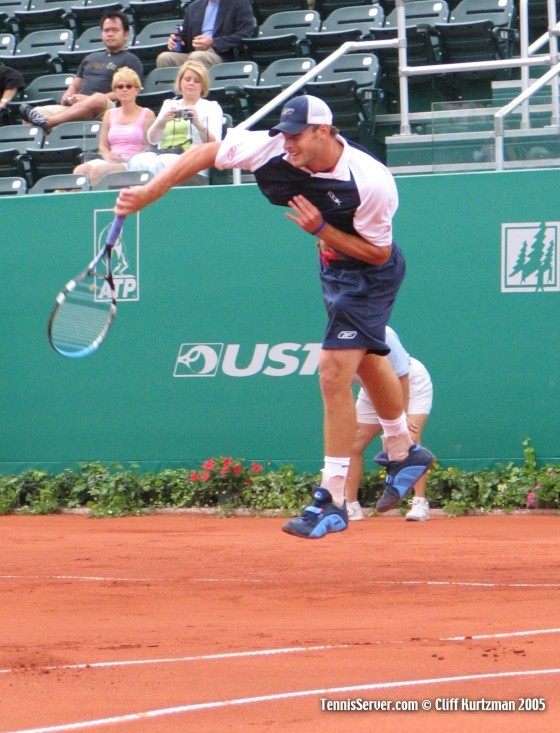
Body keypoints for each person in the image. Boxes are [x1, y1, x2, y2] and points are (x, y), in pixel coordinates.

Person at [113, 94, 435, 540]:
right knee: (364, 358)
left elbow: (379, 253)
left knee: (331, 371)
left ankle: (334, 498)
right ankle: (403, 450)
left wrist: (322, 230)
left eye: (296, 134)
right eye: (283, 134)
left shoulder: (372, 182)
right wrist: (150, 192)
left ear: (323, 131)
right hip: (333, 268)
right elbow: (206, 152)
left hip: (369, 274)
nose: (287, 143)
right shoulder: (272, 150)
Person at [346, 326, 434, 522]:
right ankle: (350, 505)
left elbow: (401, 375)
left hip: (410, 382)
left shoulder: (382, 332)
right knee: (352, 444)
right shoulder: (336, 340)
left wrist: (400, 417)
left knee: (409, 440)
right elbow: (341, 389)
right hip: (372, 389)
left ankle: (419, 503)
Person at [19, 11, 143, 133]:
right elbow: (75, 85)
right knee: (31, 115)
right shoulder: (91, 57)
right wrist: (69, 95)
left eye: (115, 30)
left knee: (98, 99)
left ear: (126, 34)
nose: (110, 34)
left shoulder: (131, 60)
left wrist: (88, 99)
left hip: (106, 108)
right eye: (106, 30)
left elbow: (128, 91)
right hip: (75, 108)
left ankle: (50, 122)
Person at [128, 60, 222, 178]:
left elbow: (214, 144)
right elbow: (152, 140)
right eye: (187, 79)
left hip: (195, 159)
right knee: (138, 160)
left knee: (160, 162)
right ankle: (137, 195)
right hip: (165, 152)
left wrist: (198, 124)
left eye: (197, 81)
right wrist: (162, 122)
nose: (191, 83)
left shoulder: (211, 107)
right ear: (180, 82)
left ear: (203, 85)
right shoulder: (169, 104)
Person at [72, 68, 155, 186]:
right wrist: (108, 156)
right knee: (80, 170)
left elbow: (148, 148)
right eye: (120, 87)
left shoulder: (147, 114)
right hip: (110, 159)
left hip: (132, 162)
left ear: (136, 90)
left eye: (129, 86)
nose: (124, 89)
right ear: (115, 91)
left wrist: (128, 159)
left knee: (98, 171)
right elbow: (103, 145)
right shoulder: (109, 114)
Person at [156, 0, 256, 69]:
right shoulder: (194, 7)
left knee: (197, 57)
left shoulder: (240, 3)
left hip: (221, 54)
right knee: (164, 58)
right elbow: (185, 39)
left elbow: (244, 35)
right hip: (194, 53)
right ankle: (172, 96)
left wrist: (213, 42)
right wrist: (176, 42)